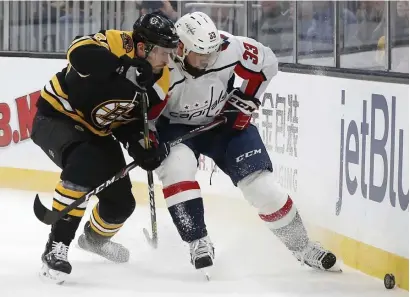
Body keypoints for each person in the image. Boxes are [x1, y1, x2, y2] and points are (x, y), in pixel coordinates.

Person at [154, 11, 341, 273]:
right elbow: (144, 110)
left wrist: (244, 102)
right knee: (177, 169)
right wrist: (148, 140)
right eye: (201, 53)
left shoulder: (230, 48)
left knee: (263, 188)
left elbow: (267, 63)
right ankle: (197, 240)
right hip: (176, 129)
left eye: (212, 52)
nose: (208, 59)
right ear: (181, 48)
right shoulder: (160, 62)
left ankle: (303, 246)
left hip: (223, 124)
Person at [31, 12, 179, 284]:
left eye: (172, 53)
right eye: (163, 52)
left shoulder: (161, 82)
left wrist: (141, 147)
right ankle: (56, 247)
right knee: (83, 164)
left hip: (97, 131)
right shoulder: (117, 42)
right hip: (56, 116)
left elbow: (131, 122)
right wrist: (124, 67)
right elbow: (78, 53)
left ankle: (94, 240)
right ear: (143, 47)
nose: (168, 61)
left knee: (122, 203)